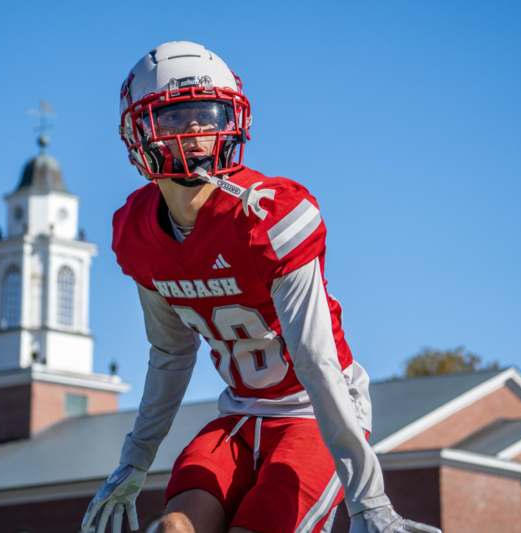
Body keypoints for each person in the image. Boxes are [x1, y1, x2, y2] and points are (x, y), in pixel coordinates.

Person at [80, 41, 441, 533]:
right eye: (174, 118)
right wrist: (134, 461)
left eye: (207, 115)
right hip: (238, 417)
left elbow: (316, 360)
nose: (195, 132)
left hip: (314, 413)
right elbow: (170, 354)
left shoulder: (268, 217)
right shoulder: (138, 232)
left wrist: (368, 500)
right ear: (139, 131)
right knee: (171, 529)